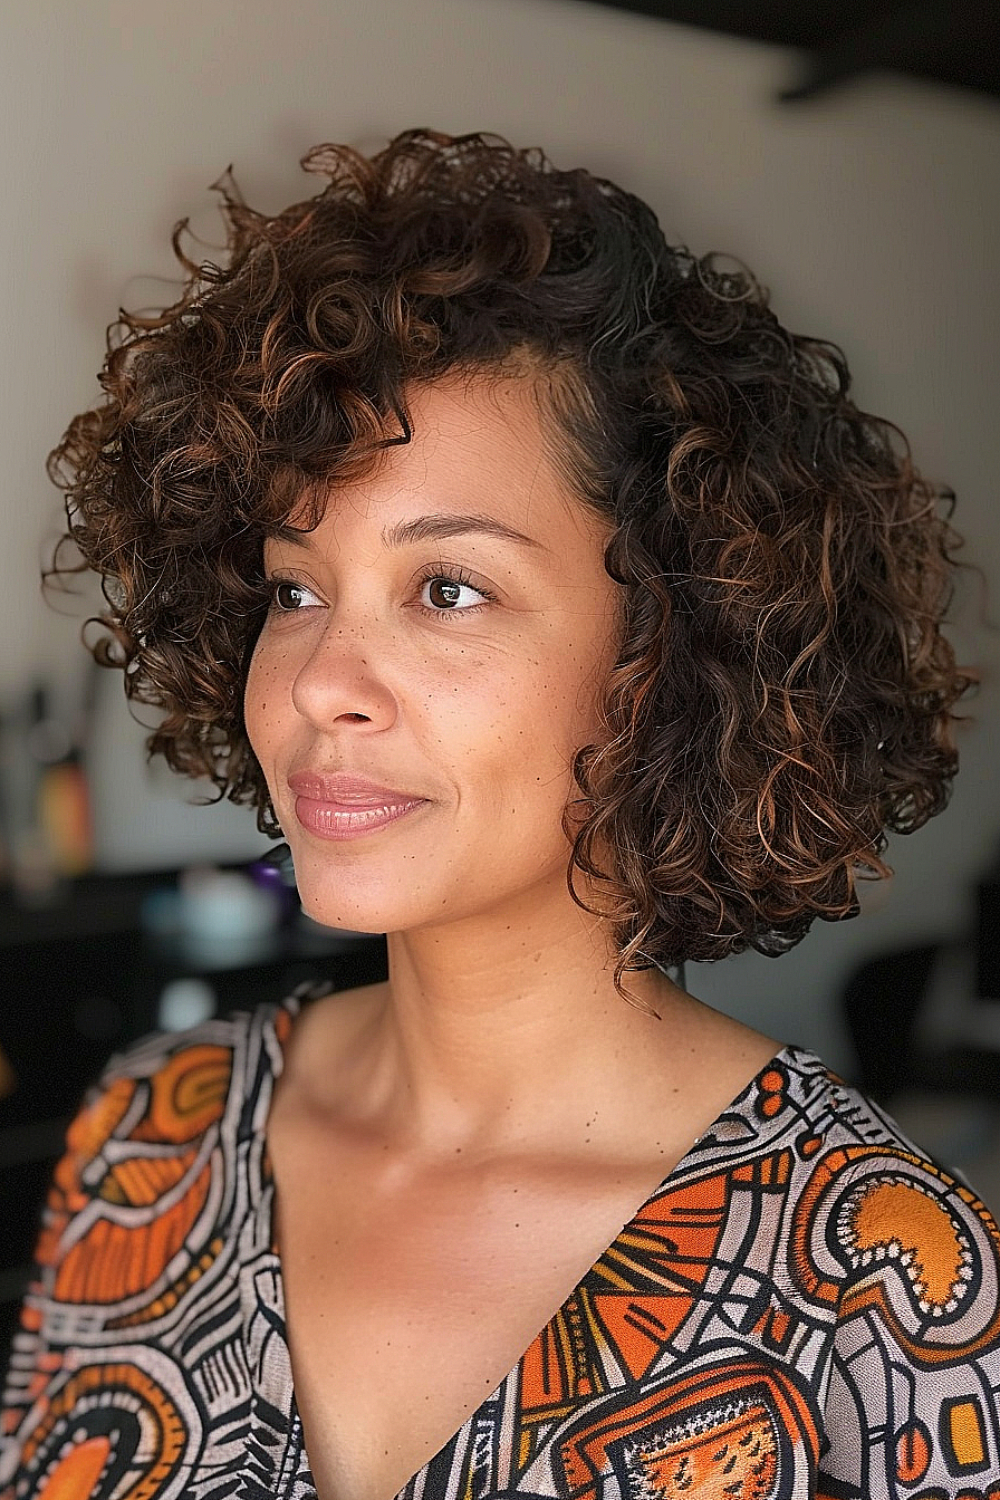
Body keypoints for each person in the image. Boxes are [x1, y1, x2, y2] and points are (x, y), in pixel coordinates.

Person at [1, 127, 997, 1500]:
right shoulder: (151, 1133)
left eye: (448, 589)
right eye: (295, 590)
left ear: (670, 650)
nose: (319, 687)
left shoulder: (882, 1285)